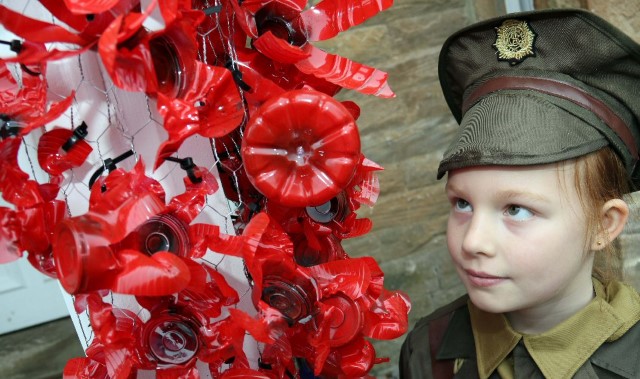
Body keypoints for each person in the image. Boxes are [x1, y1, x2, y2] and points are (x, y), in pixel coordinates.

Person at [399, 8, 640, 379]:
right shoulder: (428, 350)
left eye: (516, 209)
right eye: (462, 203)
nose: (473, 241)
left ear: (603, 225)